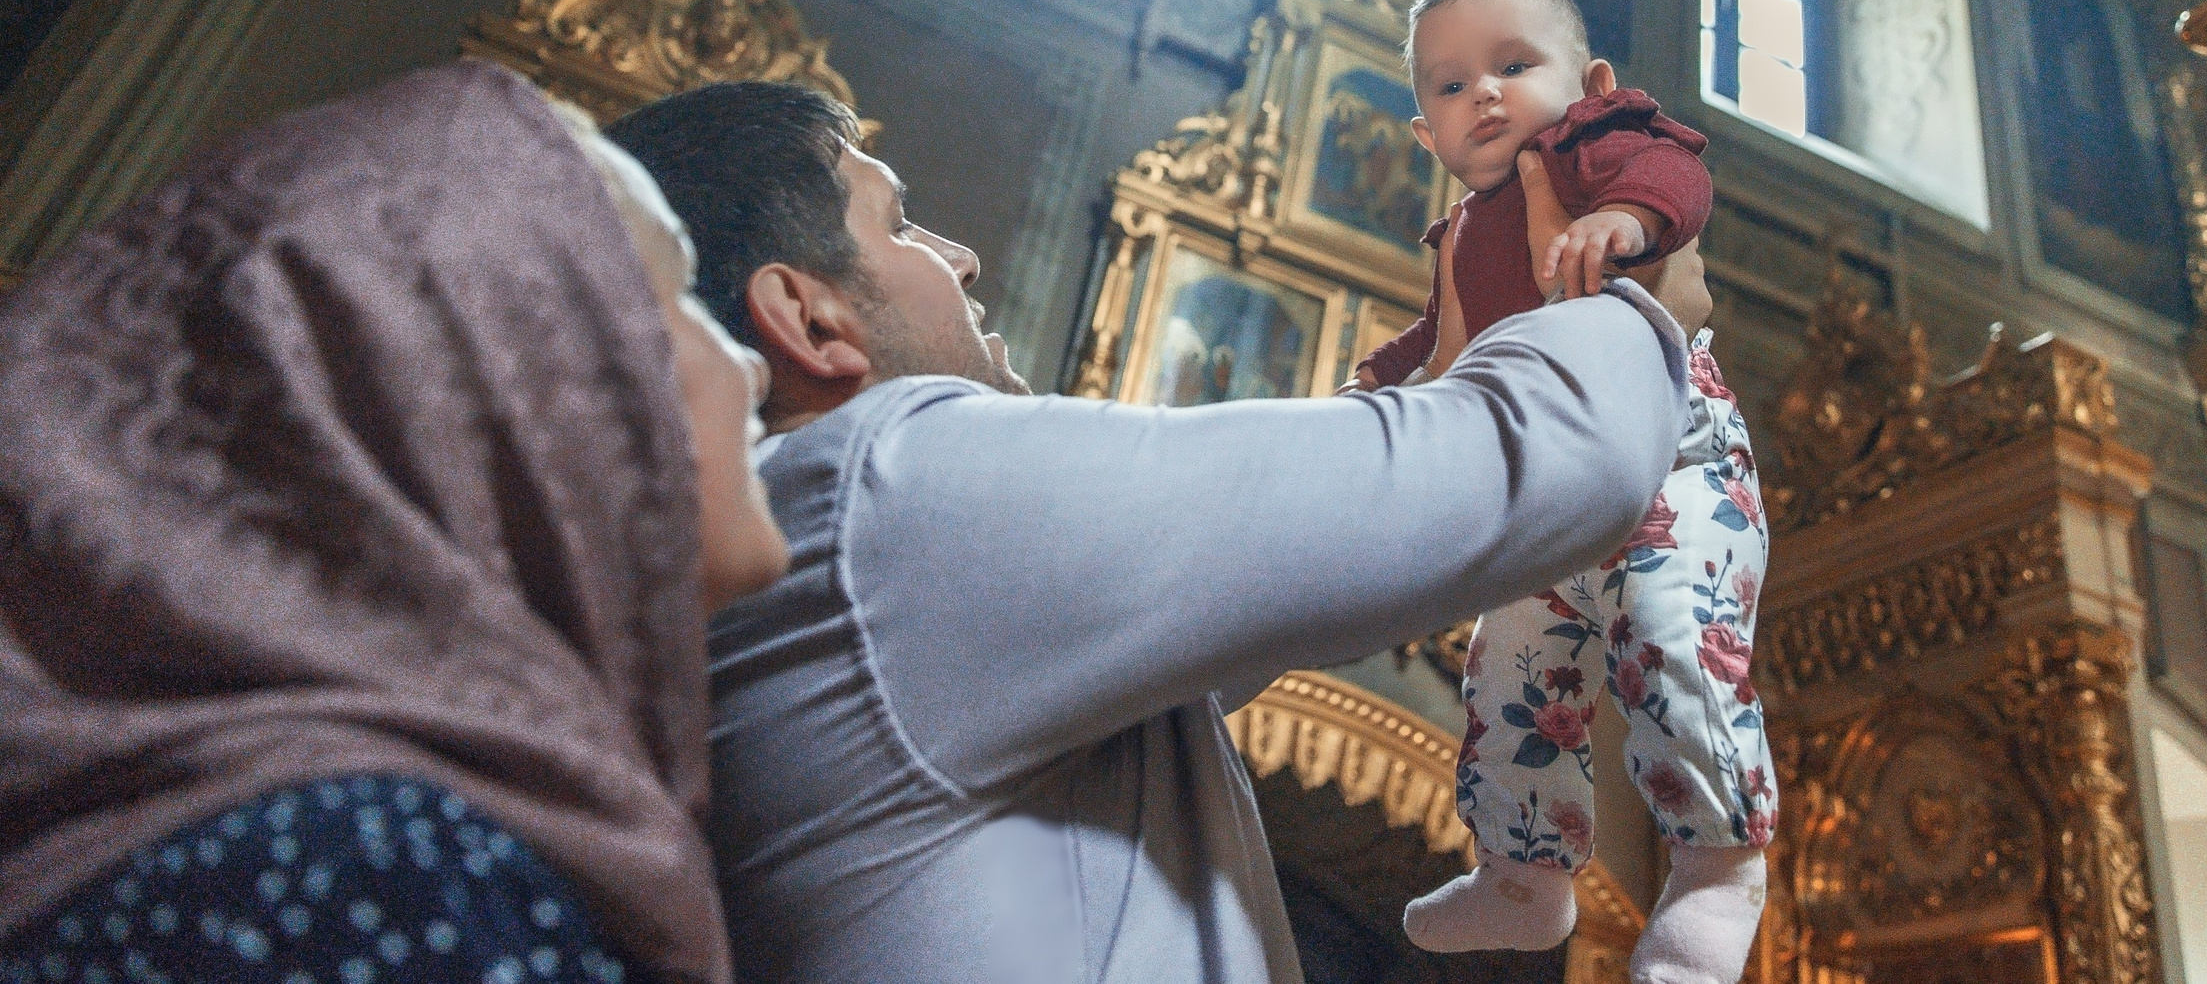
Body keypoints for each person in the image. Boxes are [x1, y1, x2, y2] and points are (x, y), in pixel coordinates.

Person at [603, 78, 1717, 984]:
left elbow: (1291, 564)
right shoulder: (881, 492)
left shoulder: (822, 546)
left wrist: (1430, 384)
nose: (960, 257)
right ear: (807, 317)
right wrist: (1627, 300)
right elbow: (1548, 460)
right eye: (898, 224)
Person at [0, 61, 790, 984]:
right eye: (680, 293)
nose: (754, 365)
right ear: (505, 382)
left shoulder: (258, 815)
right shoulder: (374, 874)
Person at [1363, 0, 1774, 983]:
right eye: (1450, 86)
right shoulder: (1460, 231)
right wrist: (1376, 381)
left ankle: (1718, 867)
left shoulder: (1595, 146)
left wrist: (1624, 219)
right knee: (1509, 671)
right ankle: (1522, 874)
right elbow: (1435, 341)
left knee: (1674, 649)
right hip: (1548, 481)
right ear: (1427, 135)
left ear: (1588, 81)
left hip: (1667, 461)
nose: (1483, 94)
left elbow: (1676, 177)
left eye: (1512, 63)